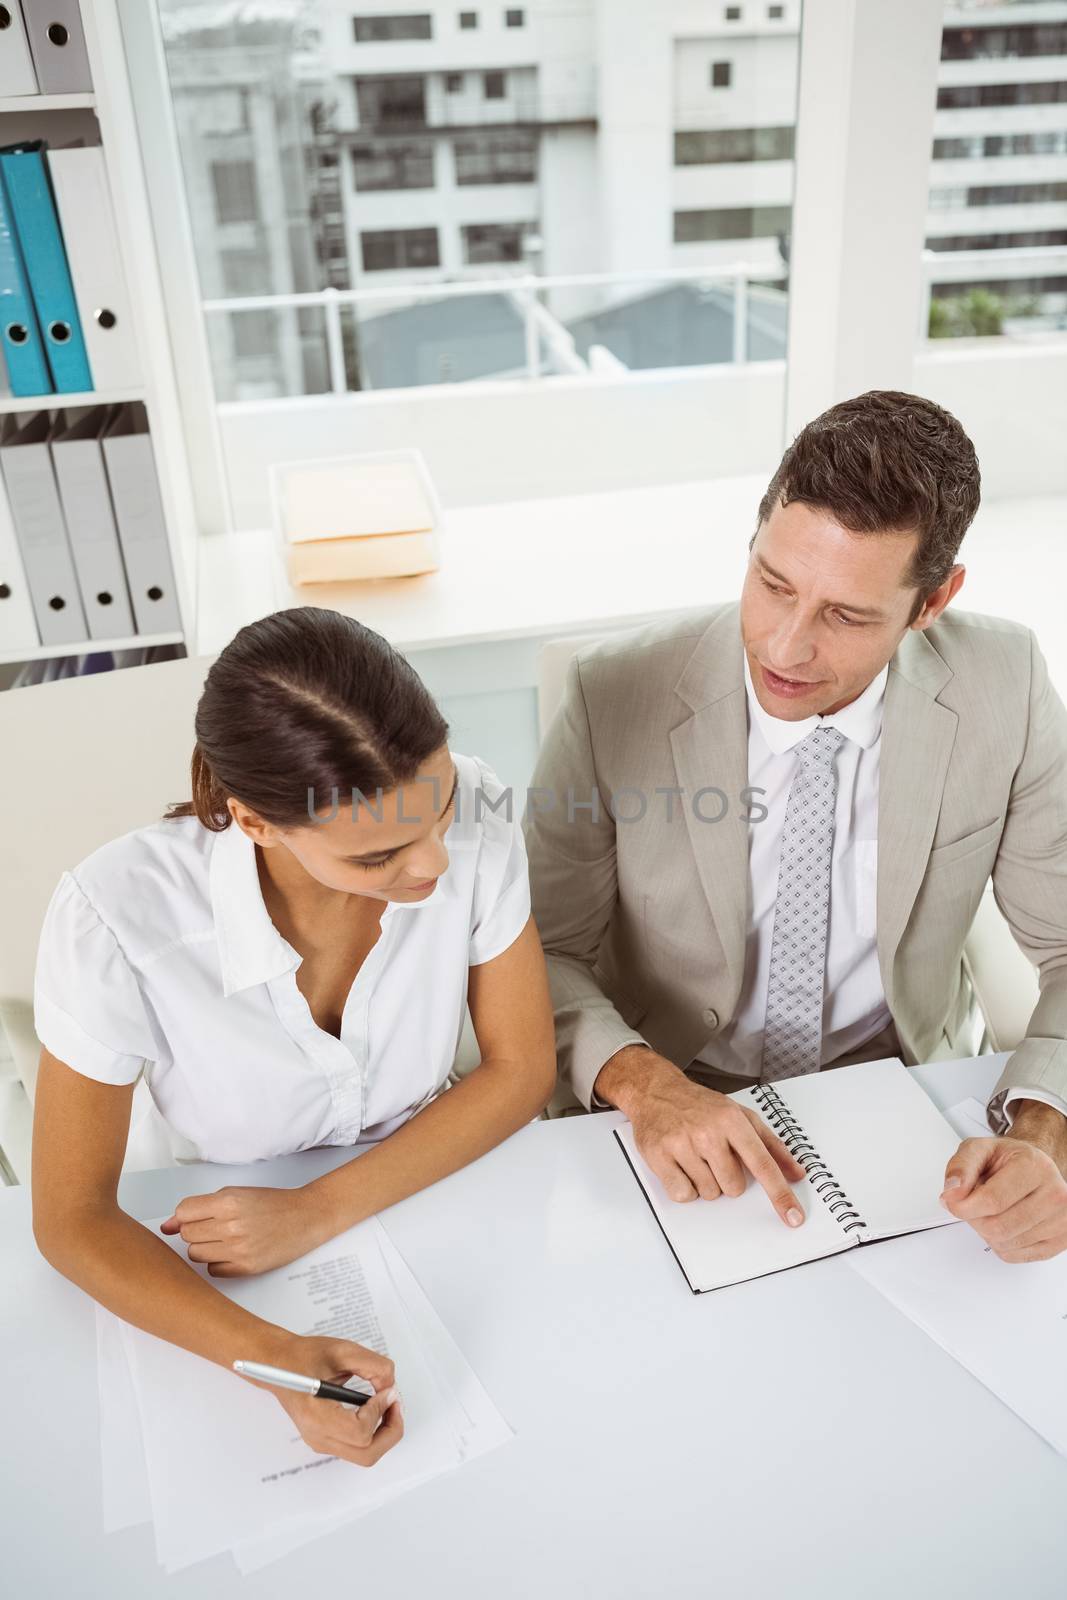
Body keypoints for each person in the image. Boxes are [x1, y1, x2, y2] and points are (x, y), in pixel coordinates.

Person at [524, 390, 1067, 1263]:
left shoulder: (1004, 683)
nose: (783, 647)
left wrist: (1045, 1128)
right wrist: (644, 1083)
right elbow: (541, 949)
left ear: (933, 602)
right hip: (674, 1099)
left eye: (845, 616)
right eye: (772, 584)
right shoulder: (611, 693)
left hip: (905, 1100)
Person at [31, 606, 556, 1468]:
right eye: (378, 855)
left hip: (441, 1202)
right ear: (256, 822)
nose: (433, 864)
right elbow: (70, 1218)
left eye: (440, 810)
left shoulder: (480, 809)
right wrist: (269, 1357)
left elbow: (521, 1066)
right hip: (224, 1257)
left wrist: (315, 1211)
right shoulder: (117, 917)